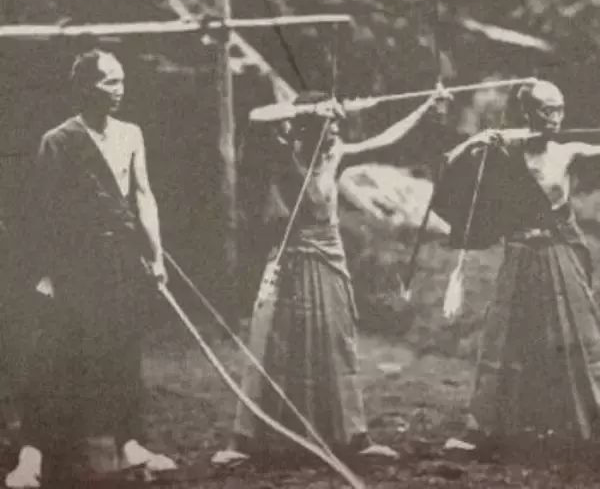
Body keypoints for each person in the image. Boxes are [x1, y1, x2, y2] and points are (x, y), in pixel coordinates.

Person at [212, 86, 451, 466]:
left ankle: (354, 437)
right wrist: (311, 109)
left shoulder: (335, 155)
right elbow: (257, 116)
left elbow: (386, 140)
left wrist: (425, 107)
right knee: (273, 343)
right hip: (290, 260)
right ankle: (244, 441)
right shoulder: (279, 153)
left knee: (338, 344)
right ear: (307, 125)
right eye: (329, 123)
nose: (336, 129)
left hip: (329, 259)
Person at [6, 50, 177, 488]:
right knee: (56, 357)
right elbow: (44, 212)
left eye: (122, 81)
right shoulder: (59, 140)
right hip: (73, 264)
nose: (119, 90)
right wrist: (47, 275)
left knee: (123, 349)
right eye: (109, 82)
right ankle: (31, 456)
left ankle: (129, 443)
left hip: (121, 259)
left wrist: (156, 257)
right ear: (85, 87)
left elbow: (143, 196)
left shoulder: (131, 134)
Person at [437, 80, 600, 448]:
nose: (555, 118)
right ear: (528, 113)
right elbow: (450, 163)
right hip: (520, 257)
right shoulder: (505, 152)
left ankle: (586, 422)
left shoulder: (568, 151)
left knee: (579, 335)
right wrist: (477, 141)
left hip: (559, 254)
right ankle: (484, 429)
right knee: (504, 338)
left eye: (559, 109)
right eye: (546, 110)